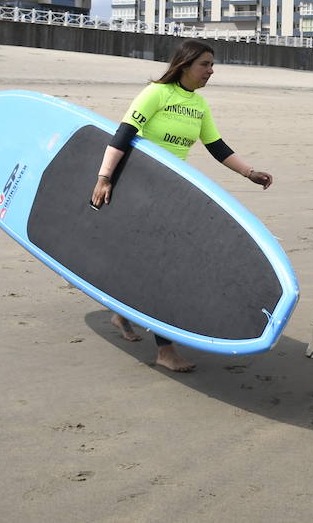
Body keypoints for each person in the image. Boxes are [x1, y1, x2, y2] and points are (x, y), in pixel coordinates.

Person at [90, 40, 273, 372]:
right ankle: (164, 350)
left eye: (212, 65)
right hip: (139, 188)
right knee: (164, 268)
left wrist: (249, 172)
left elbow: (216, 146)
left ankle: (123, 311)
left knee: (154, 263)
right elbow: (122, 135)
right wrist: (104, 178)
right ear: (185, 64)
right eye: (205, 64)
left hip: (170, 191)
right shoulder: (156, 93)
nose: (211, 71)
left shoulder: (199, 105)